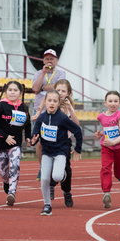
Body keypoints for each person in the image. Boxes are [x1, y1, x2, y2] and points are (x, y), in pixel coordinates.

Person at [31, 90, 83, 216]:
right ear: (45, 102)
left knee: (57, 177)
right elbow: (35, 132)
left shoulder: (62, 118)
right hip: (47, 152)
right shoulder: (42, 117)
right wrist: (33, 139)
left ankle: (63, 174)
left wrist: (77, 149)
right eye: (49, 100)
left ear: (59, 103)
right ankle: (47, 205)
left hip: (60, 151)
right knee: (44, 179)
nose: (52, 103)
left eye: (55, 101)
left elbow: (77, 131)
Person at [0, 80, 33, 207]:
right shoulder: (0, 106)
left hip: (15, 144)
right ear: (6, 91)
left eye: (15, 90)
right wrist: (5, 136)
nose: (12, 92)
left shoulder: (23, 107)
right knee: (3, 172)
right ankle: (6, 182)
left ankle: (12, 192)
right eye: (10, 90)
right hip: (1, 143)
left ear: (20, 93)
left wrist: (28, 138)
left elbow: (28, 124)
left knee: (15, 165)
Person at [45, 78, 80, 207]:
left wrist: (70, 109)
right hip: (50, 140)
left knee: (66, 169)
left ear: (68, 93)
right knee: (50, 166)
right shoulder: (51, 103)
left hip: (64, 142)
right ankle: (51, 186)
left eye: (63, 91)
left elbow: (76, 125)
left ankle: (67, 192)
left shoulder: (68, 108)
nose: (60, 93)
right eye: (58, 90)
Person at [96, 90, 120, 209]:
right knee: (105, 168)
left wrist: (113, 142)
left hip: (119, 147)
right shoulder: (101, 117)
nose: (113, 103)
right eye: (110, 101)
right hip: (106, 147)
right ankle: (106, 192)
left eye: (115, 101)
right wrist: (100, 134)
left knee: (119, 171)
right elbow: (106, 130)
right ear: (105, 103)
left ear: (119, 103)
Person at [32, 49, 65, 117]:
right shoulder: (38, 73)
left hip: (55, 109)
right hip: (39, 109)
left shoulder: (61, 73)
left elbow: (59, 87)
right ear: (44, 61)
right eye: (47, 59)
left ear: (56, 61)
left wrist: (42, 88)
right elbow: (35, 89)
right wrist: (43, 72)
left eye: (51, 59)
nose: (49, 61)